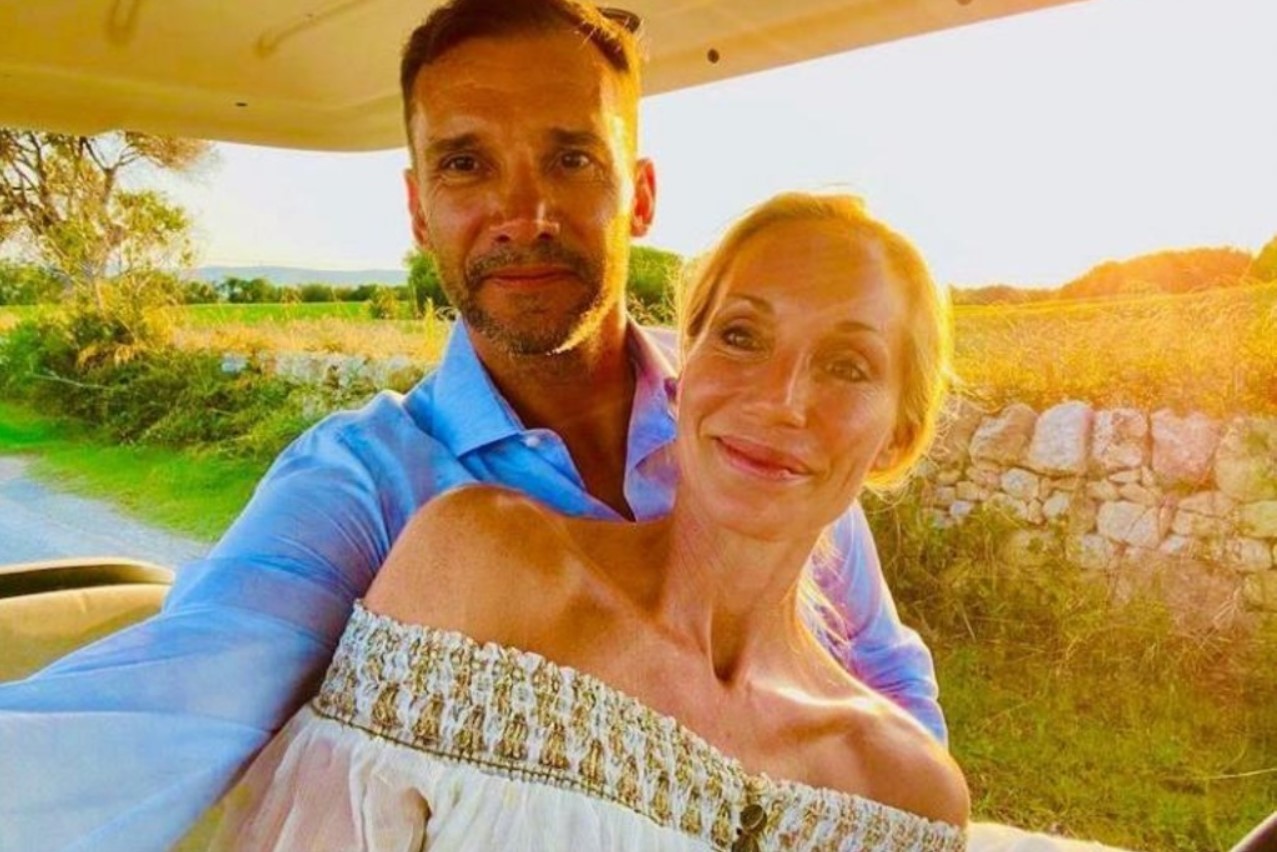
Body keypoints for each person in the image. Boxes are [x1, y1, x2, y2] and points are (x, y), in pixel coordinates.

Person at [0, 2, 943, 849]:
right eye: (464, 164)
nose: (521, 215)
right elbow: (170, 710)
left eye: (571, 159)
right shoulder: (367, 484)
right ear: (419, 210)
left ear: (641, 195)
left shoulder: (759, 435)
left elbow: (884, 693)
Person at [213, 190, 969, 850]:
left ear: (897, 438)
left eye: (847, 366)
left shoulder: (904, 796)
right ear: (683, 374)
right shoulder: (485, 576)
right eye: (741, 336)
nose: (780, 399)